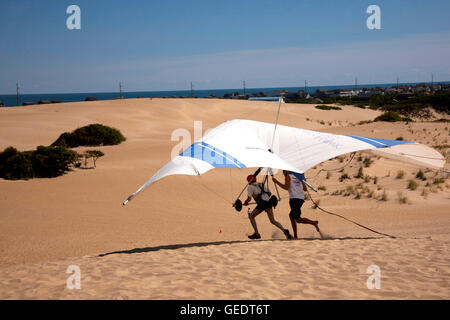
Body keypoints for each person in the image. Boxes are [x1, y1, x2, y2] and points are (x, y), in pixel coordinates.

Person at [272, 170, 320, 239]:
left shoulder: (288, 176)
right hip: (300, 198)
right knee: (291, 216)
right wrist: (301, 181)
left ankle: (313, 223)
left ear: (287, 171)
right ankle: (295, 236)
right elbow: (305, 189)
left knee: (297, 219)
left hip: (294, 199)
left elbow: (286, 187)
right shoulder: (298, 175)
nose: (283, 172)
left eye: (284, 170)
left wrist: (276, 182)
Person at [243, 174, 292, 240]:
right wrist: (264, 197)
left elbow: (249, 199)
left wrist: (246, 202)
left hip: (262, 204)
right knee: (273, 221)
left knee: (251, 216)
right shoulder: (261, 184)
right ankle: (284, 230)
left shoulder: (250, 187)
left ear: (249, 181)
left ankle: (257, 234)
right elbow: (269, 193)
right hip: (268, 203)